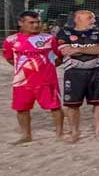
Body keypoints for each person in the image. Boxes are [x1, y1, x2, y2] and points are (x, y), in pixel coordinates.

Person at [4, 10, 64, 144]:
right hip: (22, 82)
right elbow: (9, 58)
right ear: (21, 23)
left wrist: (47, 68)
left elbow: (60, 57)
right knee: (21, 108)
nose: (36, 25)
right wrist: (25, 69)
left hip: (47, 81)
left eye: (38, 22)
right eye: (31, 22)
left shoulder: (49, 39)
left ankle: (60, 134)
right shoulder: (10, 40)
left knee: (55, 107)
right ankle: (26, 135)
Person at [57, 9, 99, 142]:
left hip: (96, 72)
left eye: (93, 18)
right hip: (73, 72)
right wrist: (91, 50)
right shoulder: (64, 32)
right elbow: (66, 51)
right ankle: (75, 132)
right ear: (77, 18)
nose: (94, 20)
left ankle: (98, 132)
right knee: (73, 105)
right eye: (90, 18)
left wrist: (78, 49)